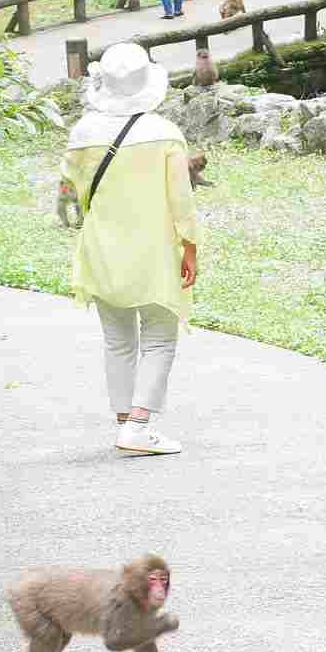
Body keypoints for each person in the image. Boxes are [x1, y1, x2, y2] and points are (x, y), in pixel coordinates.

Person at [60, 43, 202, 455]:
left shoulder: (83, 133)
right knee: (159, 336)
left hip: (102, 244)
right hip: (154, 248)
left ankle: (125, 422)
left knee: (117, 339)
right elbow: (181, 199)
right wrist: (190, 247)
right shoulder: (165, 134)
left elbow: (72, 187)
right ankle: (138, 425)